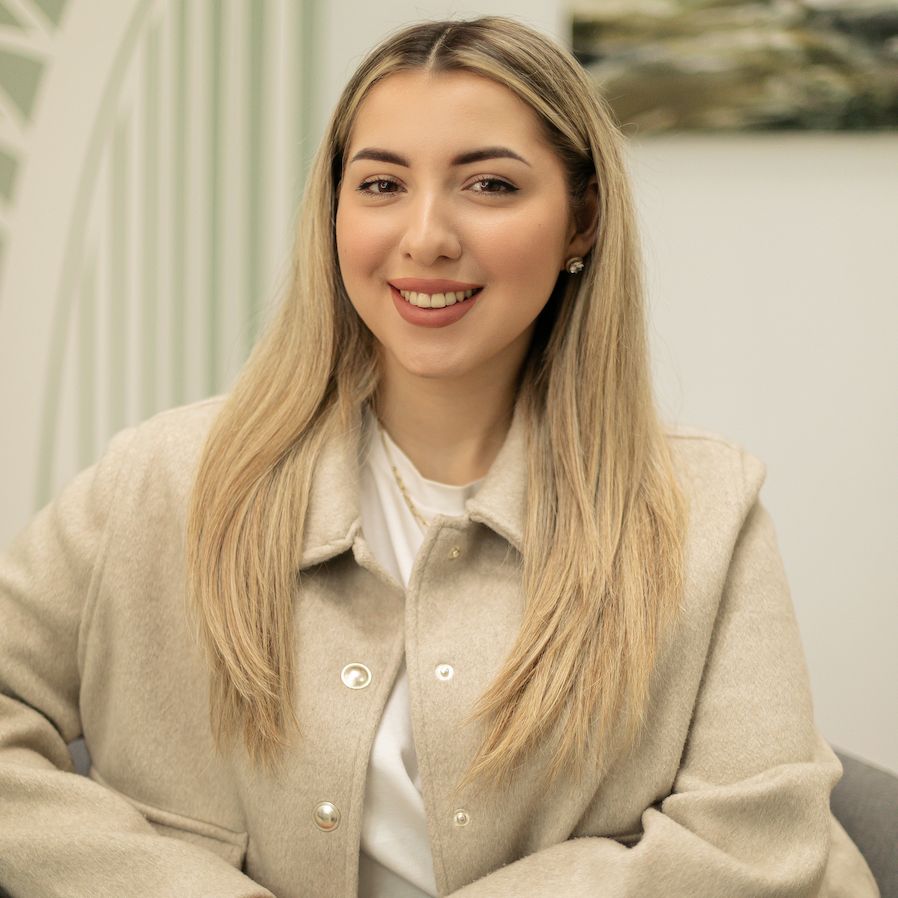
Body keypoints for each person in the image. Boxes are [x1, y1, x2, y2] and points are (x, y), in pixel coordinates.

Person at [0, 15, 879, 898]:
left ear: (581, 222)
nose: (425, 237)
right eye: (381, 184)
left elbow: (759, 843)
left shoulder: (706, 511)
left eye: (490, 185)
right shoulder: (163, 478)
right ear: (335, 212)